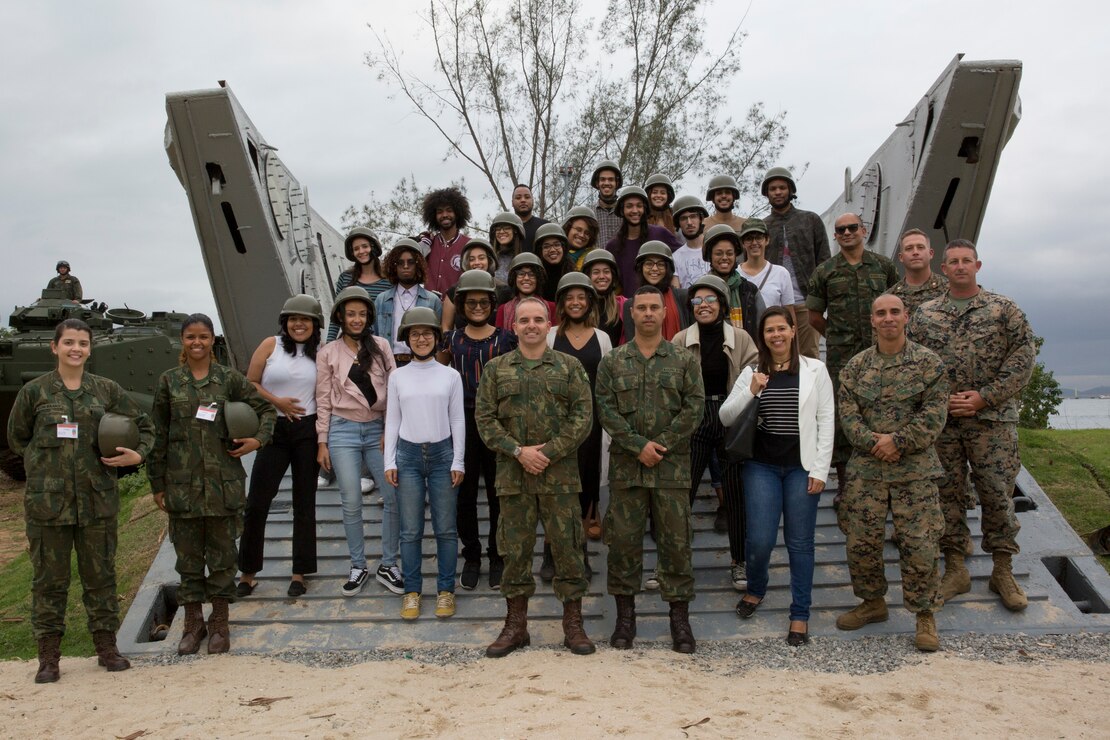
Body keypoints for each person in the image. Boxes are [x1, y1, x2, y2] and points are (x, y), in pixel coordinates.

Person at [7, 318, 153, 683]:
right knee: (48, 582)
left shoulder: (106, 391)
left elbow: (144, 425)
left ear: (90, 349)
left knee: (100, 578)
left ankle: (106, 648)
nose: (76, 349)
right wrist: (44, 468)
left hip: (96, 503)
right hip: (47, 506)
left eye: (83, 343)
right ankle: (49, 657)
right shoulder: (35, 393)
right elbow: (17, 438)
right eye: (69, 342)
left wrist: (138, 455)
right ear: (54, 347)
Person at [907, 239, 1036, 611]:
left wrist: (986, 396)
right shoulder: (926, 314)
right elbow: (914, 362)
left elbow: (1023, 357)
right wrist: (936, 398)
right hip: (944, 422)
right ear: (943, 269)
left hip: (991, 421)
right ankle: (956, 568)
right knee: (946, 493)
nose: (960, 266)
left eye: (967, 261)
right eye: (953, 262)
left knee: (996, 493)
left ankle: (1002, 570)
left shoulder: (1003, 309)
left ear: (978, 266)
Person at [148, 313, 275, 655]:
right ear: (182, 341)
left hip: (223, 484)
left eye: (203, 337)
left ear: (212, 339)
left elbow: (266, 410)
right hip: (182, 485)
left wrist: (256, 442)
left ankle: (219, 624)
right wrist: (157, 483)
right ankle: (192, 625)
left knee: (222, 557)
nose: (197, 343)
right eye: (191, 337)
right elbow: (158, 433)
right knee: (188, 560)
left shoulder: (228, 379)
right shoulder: (170, 382)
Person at [475, 296, 596, 657]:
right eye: (524, 320)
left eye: (538, 320)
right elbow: (485, 419)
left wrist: (546, 452)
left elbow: (582, 418)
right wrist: (518, 451)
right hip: (513, 478)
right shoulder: (496, 369)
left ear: (549, 325)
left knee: (569, 550)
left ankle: (573, 625)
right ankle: (516, 627)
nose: (531, 325)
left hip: (559, 479)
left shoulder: (570, 367)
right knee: (514, 552)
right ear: (514, 327)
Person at [596, 286, 704, 653]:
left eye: (653, 307)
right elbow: (605, 409)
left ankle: (680, 621)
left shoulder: (683, 360)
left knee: (676, 545)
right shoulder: (613, 361)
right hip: (628, 470)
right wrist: (637, 445)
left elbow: (694, 407)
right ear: (631, 314)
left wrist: (661, 445)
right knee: (623, 544)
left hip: (671, 470)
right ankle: (626, 620)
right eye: (640, 307)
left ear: (663, 312)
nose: (646, 313)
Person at [836, 294, 948, 652]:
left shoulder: (929, 365)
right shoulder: (855, 368)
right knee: (861, 542)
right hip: (867, 471)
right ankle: (873, 603)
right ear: (872, 320)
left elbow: (934, 416)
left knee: (920, 546)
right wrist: (874, 442)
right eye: (880, 313)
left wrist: (897, 441)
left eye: (894, 312)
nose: (887, 318)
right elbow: (848, 417)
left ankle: (925, 614)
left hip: (914, 470)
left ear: (906, 317)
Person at [720, 307, 834, 647]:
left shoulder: (815, 370)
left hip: (802, 468)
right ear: (763, 336)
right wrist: (751, 389)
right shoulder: (753, 371)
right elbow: (726, 417)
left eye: (781, 328)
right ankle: (756, 588)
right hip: (762, 467)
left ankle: (800, 613)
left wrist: (820, 470)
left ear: (793, 330)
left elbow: (826, 421)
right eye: (770, 330)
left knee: (800, 543)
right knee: (759, 540)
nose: (776, 335)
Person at [673, 275, 758, 590]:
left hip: (731, 414)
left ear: (722, 304)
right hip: (694, 415)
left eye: (710, 300)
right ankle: (673, 561)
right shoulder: (681, 339)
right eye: (697, 301)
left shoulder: (741, 337)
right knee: (684, 492)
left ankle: (739, 561)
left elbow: (753, 377)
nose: (703, 305)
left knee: (735, 492)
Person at [806, 212, 898, 500]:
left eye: (852, 228)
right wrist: (836, 334)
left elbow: (896, 305)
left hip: (880, 355)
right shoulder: (825, 271)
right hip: (841, 357)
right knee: (844, 415)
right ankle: (847, 485)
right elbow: (813, 315)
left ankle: (886, 483)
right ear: (835, 236)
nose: (847, 233)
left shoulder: (883, 267)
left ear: (863, 230)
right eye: (840, 229)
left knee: (884, 412)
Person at [317, 288, 402, 597]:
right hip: (342, 431)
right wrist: (322, 441)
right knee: (351, 499)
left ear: (369, 317)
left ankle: (389, 563)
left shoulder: (381, 346)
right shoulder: (328, 351)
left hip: (378, 428)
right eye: (350, 313)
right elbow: (323, 400)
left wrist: (388, 431)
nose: (356, 319)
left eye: (362, 314)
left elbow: (394, 390)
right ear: (340, 316)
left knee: (393, 496)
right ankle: (357, 564)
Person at [237, 295, 323, 599]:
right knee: (258, 501)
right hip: (273, 427)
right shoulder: (270, 345)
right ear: (285, 323)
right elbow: (251, 383)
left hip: (307, 430)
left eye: (305, 319)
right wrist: (278, 402)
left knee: (304, 502)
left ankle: (299, 572)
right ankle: (248, 573)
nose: (299, 324)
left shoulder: (320, 354)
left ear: (315, 324)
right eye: (293, 319)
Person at [438, 270, 518, 590]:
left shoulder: (507, 339)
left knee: (499, 494)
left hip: (498, 423)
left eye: (483, 301)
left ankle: (497, 555)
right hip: (462, 423)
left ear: (492, 303)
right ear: (460, 304)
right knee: (465, 494)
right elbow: (438, 377)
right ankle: (471, 556)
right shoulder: (451, 340)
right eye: (470, 302)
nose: (477, 307)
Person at [384, 308, 466, 620]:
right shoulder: (397, 376)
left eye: (427, 333)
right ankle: (412, 592)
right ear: (406, 338)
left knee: (446, 529)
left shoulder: (450, 375)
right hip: (407, 455)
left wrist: (458, 460)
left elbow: (457, 420)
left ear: (436, 337)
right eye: (415, 334)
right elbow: (392, 419)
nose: (421, 339)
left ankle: (446, 590)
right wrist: (389, 460)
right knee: (410, 530)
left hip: (443, 453)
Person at [547, 272, 614, 575]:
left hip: (593, 424)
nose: (576, 303)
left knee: (587, 490)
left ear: (590, 301)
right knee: (557, 490)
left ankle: (581, 553)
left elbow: (609, 383)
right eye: (569, 297)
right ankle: (550, 553)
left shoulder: (602, 338)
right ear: (561, 302)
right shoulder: (550, 335)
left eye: (581, 297)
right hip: (556, 425)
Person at [761, 166, 830, 359]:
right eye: (772, 188)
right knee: (777, 356)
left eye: (782, 187)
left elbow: (824, 261)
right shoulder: (762, 226)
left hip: (805, 303)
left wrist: (821, 299)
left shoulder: (810, 220)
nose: (777, 192)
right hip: (774, 304)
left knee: (809, 356)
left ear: (790, 190)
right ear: (767, 193)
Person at [374, 239, 443, 365]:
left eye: (411, 262)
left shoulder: (433, 300)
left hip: (422, 363)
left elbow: (439, 340)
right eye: (400, 262)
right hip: (388, 364)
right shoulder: (381, 300)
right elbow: (374, 336)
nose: (405, 266)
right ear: (393, 266)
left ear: (419, 265)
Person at [605, 186, 682, 296]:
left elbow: (682, 256)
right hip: (631, 305)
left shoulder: (660, 234)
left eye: (639, 206)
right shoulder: (613, 246)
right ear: (622, 210)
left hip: (663, 304)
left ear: (645, 209)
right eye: (629, 206)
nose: (635, 210)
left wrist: (675, 279)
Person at [327, 227, 392, 342]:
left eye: (365, 246)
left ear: (373, 247)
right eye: (356, 249)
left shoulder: (389, 280)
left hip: (379, 342)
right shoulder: (345, 278)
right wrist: (329, 342)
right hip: (350, 342)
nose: (361, 251)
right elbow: (337, 314)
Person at [702, 224, 766, 338]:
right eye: (718, 253)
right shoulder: (700, 290)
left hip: (746, 352)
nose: (725, 257)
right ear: (709, 256)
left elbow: (763, 326)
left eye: (730, 253)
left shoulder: (750, 290)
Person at [621, 241, 690, 343]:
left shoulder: (683, 297)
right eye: (649, 264)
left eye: (661, 264)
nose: (654, 268)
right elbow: (631, 344)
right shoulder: (630, 305)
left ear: (668, 269)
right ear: (641, 268)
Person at [440, 238, 504, 332]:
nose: (477, 263)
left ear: (490, 260)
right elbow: (446, 327)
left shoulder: (503, 290)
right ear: (467, 262)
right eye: (472, 259)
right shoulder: (454, 291)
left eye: (481, 258)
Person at [418, 186, 472, 294]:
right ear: (434, 216)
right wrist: (422, 245)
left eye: (449, 210)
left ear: (457, 213)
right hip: (428, 307)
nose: (445, 215)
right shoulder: (428, 243)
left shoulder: (469, 245)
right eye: (440, 212)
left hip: (456, 306)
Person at [887, 228, 948, 316]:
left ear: (931, 253)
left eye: (920, 247)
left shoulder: (949, 290)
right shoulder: (890, 297)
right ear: (901, 257)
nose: (915, 252)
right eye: (909, 248)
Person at [739, 218, 796, 313]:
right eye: (749, 239)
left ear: (767, 240)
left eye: (758, 238)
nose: (754, 243)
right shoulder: (735, 274)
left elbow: (789, 312)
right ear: (743, 243)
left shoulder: (781, 273)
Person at [495, 252, 555, 330]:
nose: (526, 278)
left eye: (532, 274)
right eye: (521, 274)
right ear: (514, 278)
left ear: (538, 279)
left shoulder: (552, 308)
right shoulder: (503, 310)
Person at [583, 249, 627, 347]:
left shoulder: (624, 305)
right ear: (588, 276)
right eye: (596, 272)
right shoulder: (580, 307)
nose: (602, 276)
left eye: (606, 272)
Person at [670, 195, 711, 289]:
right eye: (684, 218)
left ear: (701, 219)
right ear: (678, 224)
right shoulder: (675, 257)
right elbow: (676, 292)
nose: (689, 222)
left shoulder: (715, 249)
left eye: (693, 216)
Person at [535, 223, 577, 303]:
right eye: (546, 246)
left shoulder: (573, 273)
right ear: (540, 251)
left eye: (557, 245)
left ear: (563, 247)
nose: (552, 250)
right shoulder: (535, 276)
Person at [590, 159, 624, 248]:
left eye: (611, 179)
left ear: (617, 183)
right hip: (595, 260)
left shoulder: (625, 212)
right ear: (597, 183)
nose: (606, 183)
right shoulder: (589, 214)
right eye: (602, 179)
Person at [487, 211, 525, 285]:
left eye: (506, 228)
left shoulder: (524, 260)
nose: (501, 231)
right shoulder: (487, 259)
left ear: (516, 231)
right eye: (498, 229)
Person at [511, 183, 549, 252]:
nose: (523, 200)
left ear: (533, 201)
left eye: (527, 197)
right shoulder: (506, 230)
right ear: (512, 203)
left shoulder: (546, 226)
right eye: (518, 198)